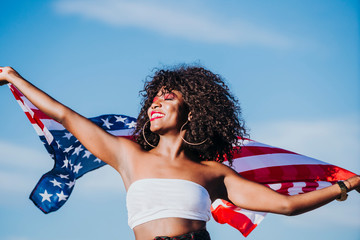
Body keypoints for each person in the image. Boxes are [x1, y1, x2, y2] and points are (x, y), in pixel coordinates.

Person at [0, 65, 359, 240]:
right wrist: (14, 77)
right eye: (153, 99)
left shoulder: (214, 173)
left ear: (194, 111)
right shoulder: (128, 156)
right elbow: (64, 114)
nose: (155, 104)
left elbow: (286, 206)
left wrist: (347, 185)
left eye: (167, 97)